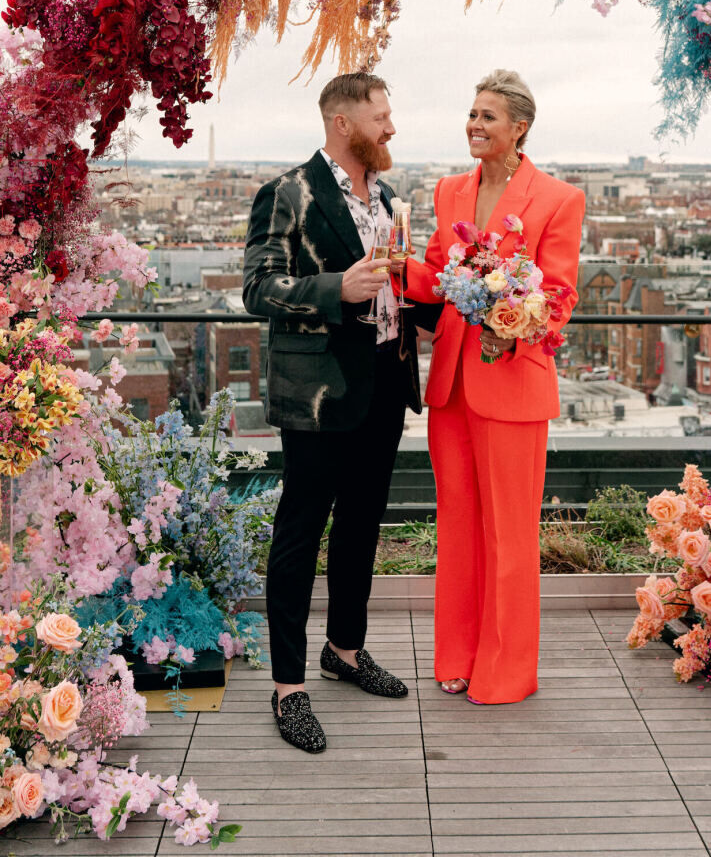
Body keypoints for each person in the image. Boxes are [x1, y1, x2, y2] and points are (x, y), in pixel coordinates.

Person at [243, 72, 423, 753]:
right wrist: (334, 288)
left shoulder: (390, 200)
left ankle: (344, 649)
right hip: (317, 393)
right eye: (382, 116)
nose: (392, 127)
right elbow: (257, 288)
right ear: (344, 122)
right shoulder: (287, 191)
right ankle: (288, 687)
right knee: (300, 532)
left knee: (361, 526)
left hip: (383, 382)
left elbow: (399, 287)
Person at [398, 70, 585, 704]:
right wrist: (396, 267)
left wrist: (517, 327)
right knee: (458, 526)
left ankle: (505, 671)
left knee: (510, 534)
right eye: (471, 114)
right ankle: (457, 656)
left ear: (519, 127)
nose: (474, 125)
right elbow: (433, 278)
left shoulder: (558, 199)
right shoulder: (450, 191)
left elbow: (558, 294)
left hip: (513, 383)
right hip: (452, 382)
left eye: (488, 116)